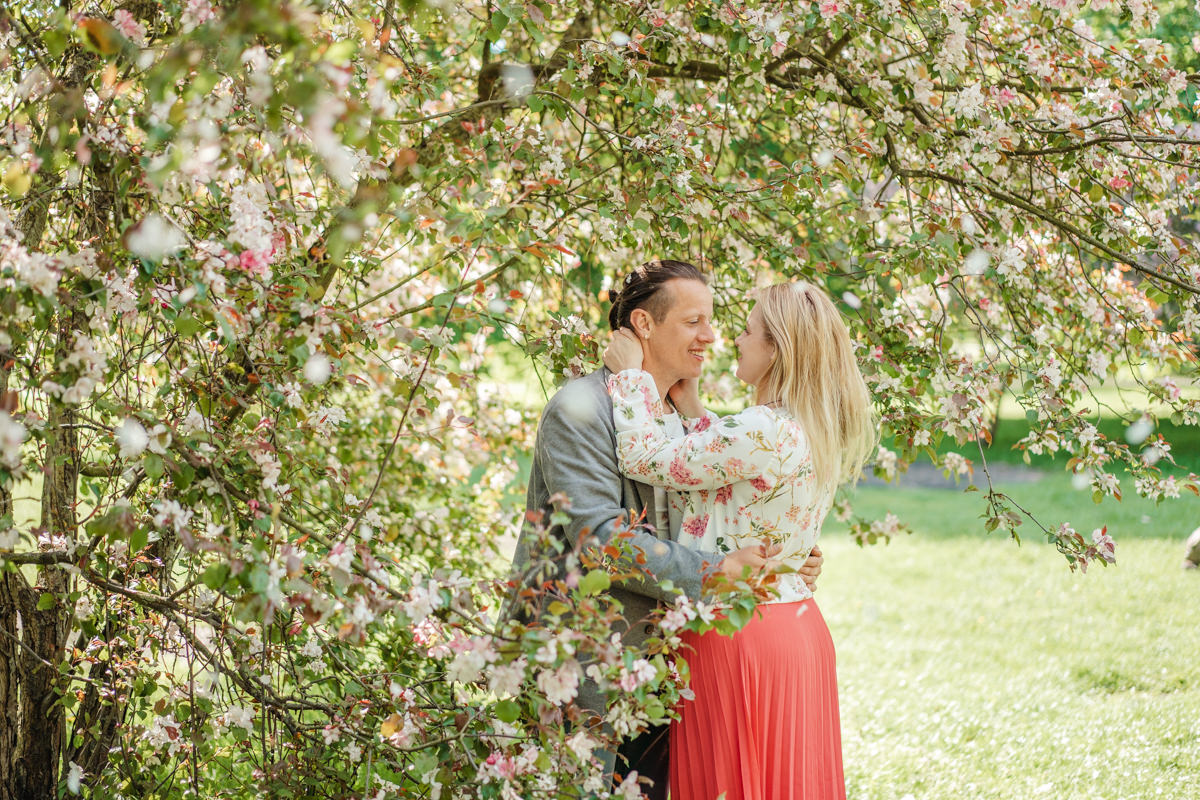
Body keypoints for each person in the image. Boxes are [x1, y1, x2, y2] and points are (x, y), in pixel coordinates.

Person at [508, 260, 825, 799]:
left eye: (714, 320)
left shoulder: (681, 414)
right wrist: (717, 571)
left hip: (671, 666)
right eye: (693, 321)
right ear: (644, 325)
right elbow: (600, 541)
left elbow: (724, 510)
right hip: (587, 661)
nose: (711, 336)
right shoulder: (581, 409)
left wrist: (790, 553)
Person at [603, 281, 876, 800]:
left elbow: (641, 458)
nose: (735, 341)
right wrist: (696, 415)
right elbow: (740, 488)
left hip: (738, 632)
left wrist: (632, 379)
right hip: (795, 629)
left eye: (748, 332)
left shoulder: (760, 429)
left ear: (777, 349)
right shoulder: (810, 425)